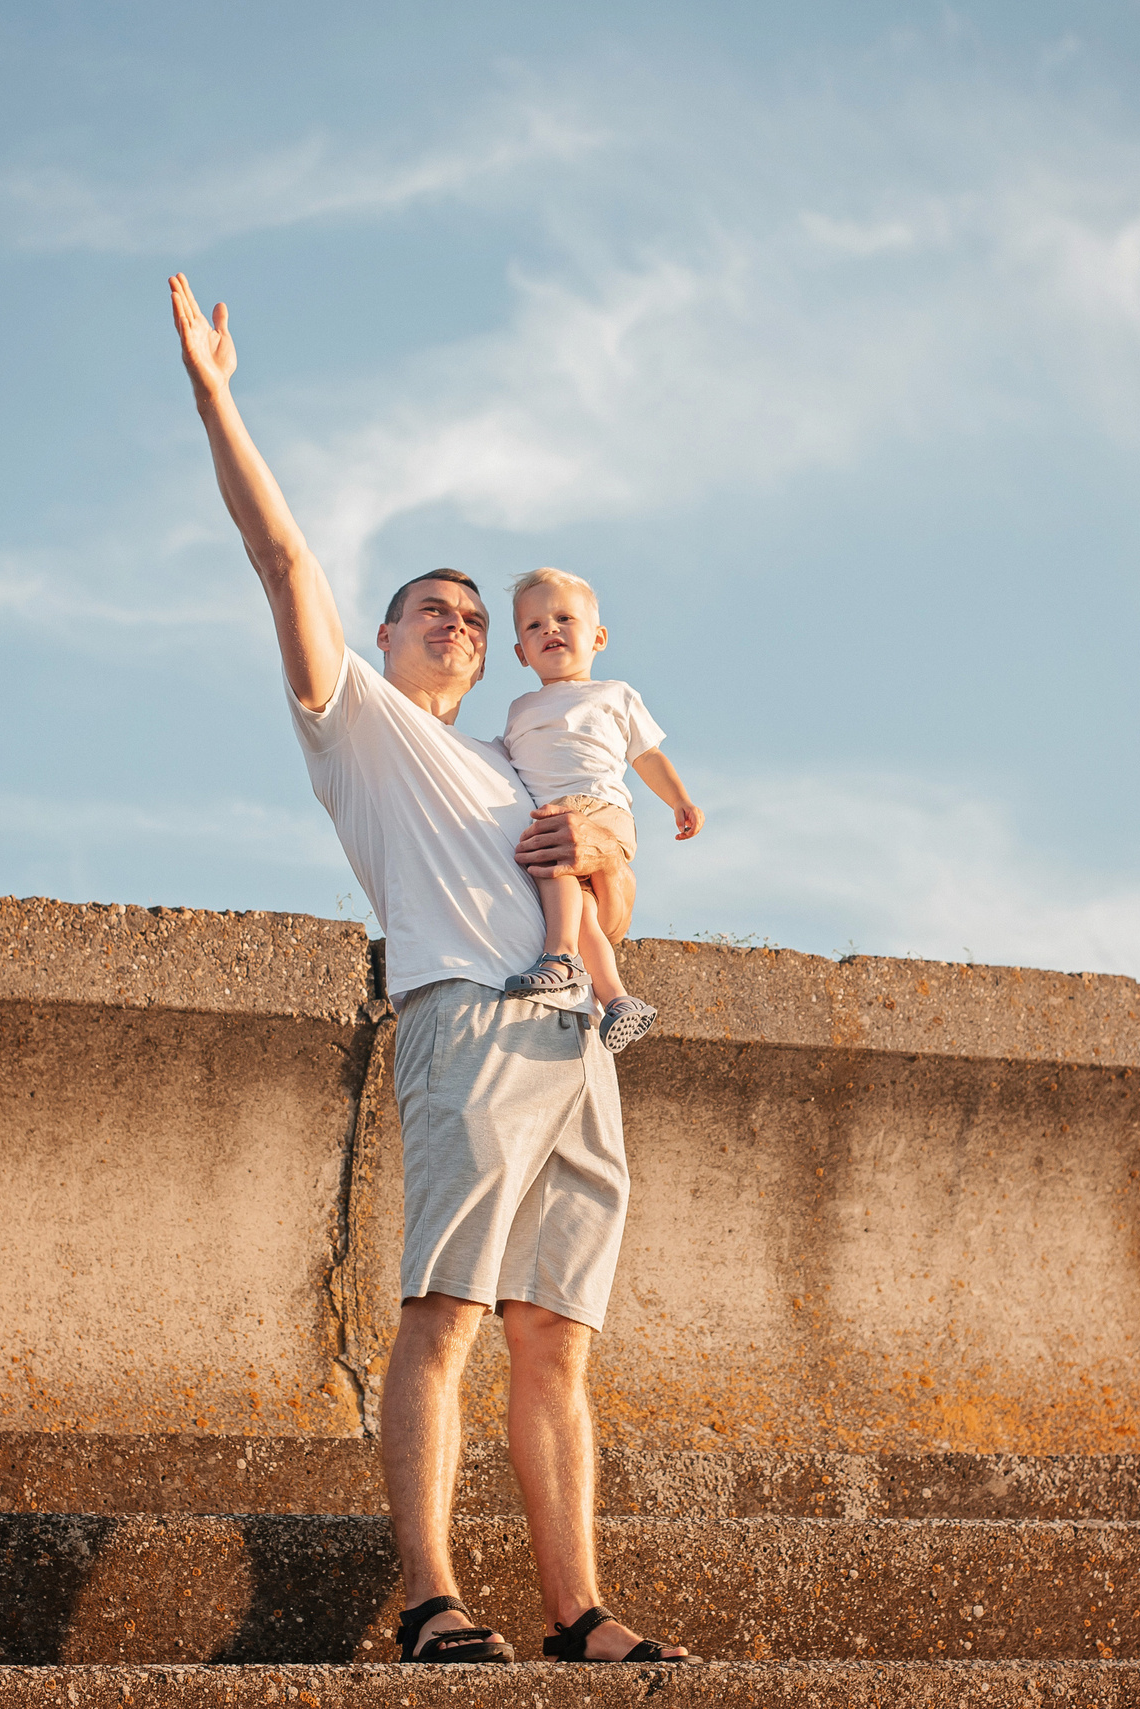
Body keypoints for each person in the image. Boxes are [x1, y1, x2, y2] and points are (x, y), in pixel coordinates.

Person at [167, 274, 698, 1668]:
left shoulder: (522, 750)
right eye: (434, 611)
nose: (461, 625)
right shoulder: (359, 724)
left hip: (581, 1041)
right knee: (446, 1313)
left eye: (477, 615)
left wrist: (608, 838)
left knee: (557, 1340)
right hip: (463, 1027)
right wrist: (219, 393)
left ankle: (577, 1610)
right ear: (389, 637)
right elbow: (281, 560)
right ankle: (428, 1598)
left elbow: (609, 903)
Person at [496, 566, 703, 1055]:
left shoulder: (615, 695)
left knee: (554, 868)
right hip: (549, 812)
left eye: (564, 618)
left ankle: (560, 956)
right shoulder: (520, 708)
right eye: (534, 625)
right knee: (581, 906)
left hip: (598, 808)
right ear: (520, 654)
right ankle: (617, 999)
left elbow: (647, 755)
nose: (550, 629)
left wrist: (679, 799)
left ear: (599, 637)